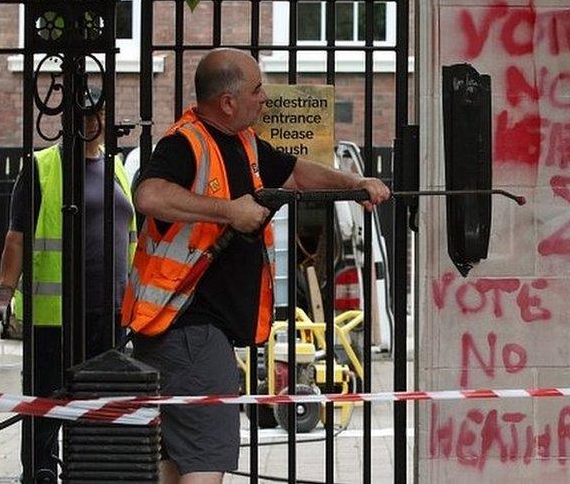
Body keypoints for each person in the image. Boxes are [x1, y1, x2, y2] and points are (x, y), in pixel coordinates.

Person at [123, 48, 389, 484]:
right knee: (205, 464)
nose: (265, 98)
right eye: (257, 89)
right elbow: (149, 196)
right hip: (189, 330)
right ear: (227, 101)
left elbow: (297, 174)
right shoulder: (185, 142)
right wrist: (228, 211)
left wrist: (355, 184)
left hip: (182, 333)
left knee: (176, 464)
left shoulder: (242, 141)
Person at [0, 85, 137, 482]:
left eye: (99, 112)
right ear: (66, 118)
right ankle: (40, 473)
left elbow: (131, 239)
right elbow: (16, 238)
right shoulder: (41, 166)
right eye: (85, 114)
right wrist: (3, 298)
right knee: (45, 408)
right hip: (54, 314)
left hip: (110, 311)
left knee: (98, 407)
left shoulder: (117, 168)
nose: (93, 121)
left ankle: (87, 473)